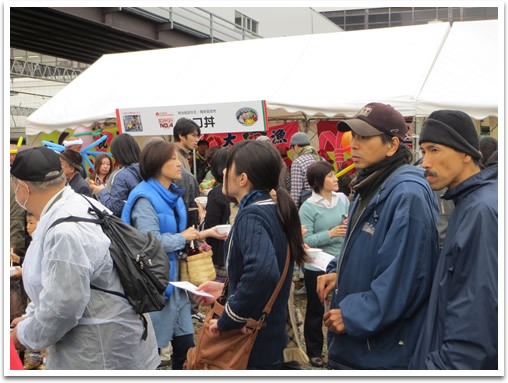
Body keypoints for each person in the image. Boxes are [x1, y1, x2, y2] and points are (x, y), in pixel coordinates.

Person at [10, 146, 159, 370]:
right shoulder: (81, 204)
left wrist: (22, 335)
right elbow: (52, 286)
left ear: (22, 187)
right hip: (118, 340)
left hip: (99, 354)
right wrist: (31, 318)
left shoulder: (64, 231)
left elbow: (62, 309)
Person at [317, 102, 440, 370]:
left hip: (383, 353)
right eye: (353, 136)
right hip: (359, 349)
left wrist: (353, 315)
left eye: (364, 137)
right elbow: (365, 247)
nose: (354, 144)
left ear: (392, 145)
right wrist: (339, 270)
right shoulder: (370, 183)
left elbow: (406, 278)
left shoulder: (407, 194)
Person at [195, 140, 308, 370]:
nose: (224, 171)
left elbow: (263, 273)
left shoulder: (252, 215)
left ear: (243, 179)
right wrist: (225, 289)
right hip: (270, 336)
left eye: (229, 166)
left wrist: (230, 318)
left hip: (254, 344)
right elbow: (264, 270)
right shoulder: (272, 209)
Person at [121, 140, 226, 369]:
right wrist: (185, 238)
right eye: (172, 159)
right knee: (153, 354)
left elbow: (178, 234)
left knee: (186, 348)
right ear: (157, 163)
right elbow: (147, 242)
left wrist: (201, 238)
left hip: (175, 284)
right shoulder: (144, 198)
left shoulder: (172, 194)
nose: (179, 163)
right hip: (154, 286)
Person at [410, 110, 498, 369]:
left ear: (466, 152)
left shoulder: (482, 210)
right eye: (423, 151)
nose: (425, 162)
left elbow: (478, 318)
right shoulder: (467, 202)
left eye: (434, 150)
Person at [298, 161, 349, 368]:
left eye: (334, 175)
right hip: (317, 265)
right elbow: (305, 240)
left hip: (341, 261)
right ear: (318, 182)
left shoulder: (343, 199)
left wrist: (348, 223)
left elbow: (350, 221)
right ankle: (314, 351)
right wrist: (330, 233)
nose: (336, 179)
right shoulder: (308, 207)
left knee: (342, 306)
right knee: (316, 309)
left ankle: (341, 349)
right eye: (330, 176)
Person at [90, 133, 142, 217]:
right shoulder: (147, 169)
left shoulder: (121, 176)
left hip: (129, 225)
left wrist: (101, 191)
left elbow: (114, 209)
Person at [199, 147, 230, 282]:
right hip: (240, 252)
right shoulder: (246, 191)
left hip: (220, 254)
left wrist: (202, 216)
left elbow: (210, 227)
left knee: (220, 294)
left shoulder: (216, 194)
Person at [289, 132, 321, 207]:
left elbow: (296, 192)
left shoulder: (298, 163)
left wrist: (293, 209)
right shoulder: (320, 159)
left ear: (296, 147)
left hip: (308, 205)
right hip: (324, 202)